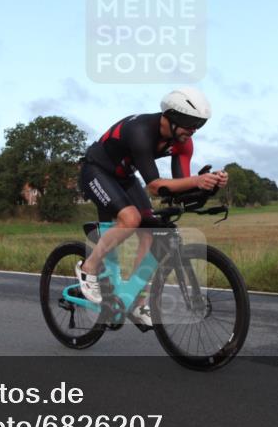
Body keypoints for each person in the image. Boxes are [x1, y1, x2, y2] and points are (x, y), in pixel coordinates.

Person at [76, 87, 228, 326]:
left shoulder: (183, 143)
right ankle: (89, 267)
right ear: (172, 117)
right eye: (190, 124)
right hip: (96, 170)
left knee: (152, 231)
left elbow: (180, 189)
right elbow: (156, 186)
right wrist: (197, 181)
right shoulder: (141, 132)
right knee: (130, 219)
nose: (194, 131)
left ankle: (136, 302)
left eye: (199, 125)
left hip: (124, 177)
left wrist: (208, 186)